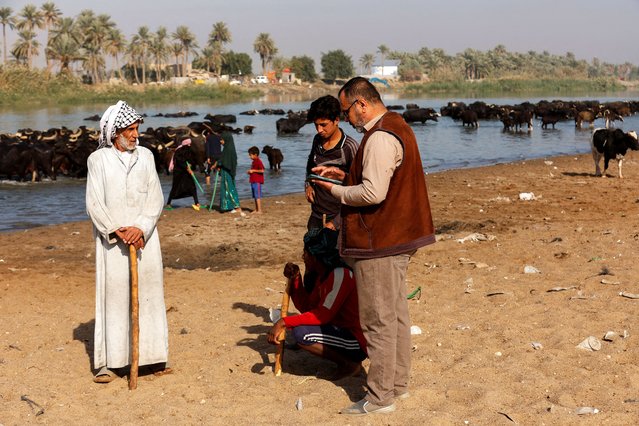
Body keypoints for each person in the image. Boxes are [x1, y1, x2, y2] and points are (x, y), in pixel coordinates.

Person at [311, 77, 435, 416]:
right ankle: (397, 385)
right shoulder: (397, 127)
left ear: (361, 105)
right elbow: (377, 180)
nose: (346, 119)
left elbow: (372, 193)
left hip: (379, 240)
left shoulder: (379, 137)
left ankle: (381, 398)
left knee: (378, 320)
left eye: (345, 111)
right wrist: (341, 177)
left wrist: (334, 192)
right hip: (398, 235)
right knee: (395, 314)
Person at [86, 100, 170, 383]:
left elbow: (155, 197)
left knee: (149, 295)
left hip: (145, 239)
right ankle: (110, 363)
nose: (136, 135)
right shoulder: (97, 160)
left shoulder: (146, 156)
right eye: (130, 130)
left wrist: (141, 228)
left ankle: (152, 359)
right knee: (114, 297)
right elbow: (94, 203)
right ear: (114, 133)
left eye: (137, 129)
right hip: (112, 243)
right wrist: (116, 230)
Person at [267, 228, 366, 380]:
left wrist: (284, 322)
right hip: (338, 329)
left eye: (306, 253)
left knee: (302, 333)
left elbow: (322, 315)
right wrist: (296, 280)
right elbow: (307, 307)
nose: (304, 257)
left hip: (355, 338)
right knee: (301, 329)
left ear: (315, 256)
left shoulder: (341, 274)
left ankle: (349, 364)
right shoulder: (323, 276)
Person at [305, 95, 358, 232]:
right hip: (316, 215)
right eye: (316, 125)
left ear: (336, 120)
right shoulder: (317, 140)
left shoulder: (349, 147)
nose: (319, 130)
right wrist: (308, 184)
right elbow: (310, 165)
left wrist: (336, 223)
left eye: (323, 125)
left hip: (339, 219)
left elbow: (359, 189)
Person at [165, 138, 201, 211]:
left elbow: (192, 160)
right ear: (186, 144)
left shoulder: (190, 151)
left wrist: (191, 166)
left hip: (187, 173)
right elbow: (178, 161)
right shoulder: (178, 151)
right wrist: (186, 167)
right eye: (189, 144)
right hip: (178, 172)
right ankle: (168, 204)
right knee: (175, 187)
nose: (190, 145)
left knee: (192, 187)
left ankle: (197, 203)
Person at [217, 131, 244, 215]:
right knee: (226, 188)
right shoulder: (227, 148)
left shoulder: (228, 149)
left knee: (229, 188)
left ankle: (237, 207)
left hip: (227, 172)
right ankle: (227, 206)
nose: (220, 142)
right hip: (226, 171)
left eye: (221, 140)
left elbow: (227, 162)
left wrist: (219, 164)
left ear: (226, 139)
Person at [247, 146, 265, 214]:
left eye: (250, 155)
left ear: (255, 154)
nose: (249, 157)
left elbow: (262, 170)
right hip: (253, 181)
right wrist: (250, 172)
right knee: (255, 195)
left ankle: (259, 210)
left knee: (257, 196)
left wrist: (253, 170)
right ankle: (256, 209)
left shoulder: (258, 161)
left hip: (257, 181)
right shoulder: (254, 161)